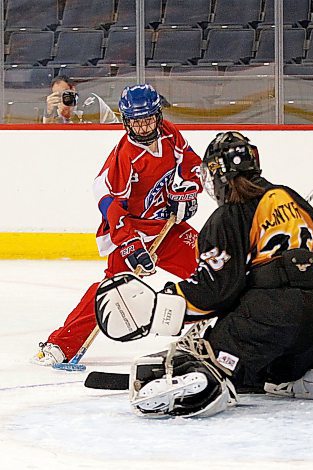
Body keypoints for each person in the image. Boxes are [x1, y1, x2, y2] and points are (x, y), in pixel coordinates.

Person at [92, 131, 313, 418]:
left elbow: (216, 291)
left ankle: (208, 376)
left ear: (217, 174)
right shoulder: (288, 197)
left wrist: (169, 301)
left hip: (265, 323)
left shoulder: (226, 217)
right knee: (286, 369)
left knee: (204, 352)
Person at [33, 83, 202, 365]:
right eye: (137, 121)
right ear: (126, 121)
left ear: (158, 116)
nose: (145, 127)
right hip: (131, 231)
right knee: (111, 292)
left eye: (149, 119)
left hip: (166, 228)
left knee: (208, 267)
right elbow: (111, 205)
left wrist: (188, 191)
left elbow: (192, 164)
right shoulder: (127, 156)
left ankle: (211, 329)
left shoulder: (170, 133)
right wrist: (131, 245)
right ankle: (61, 344)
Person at [43, 75, 119, 124]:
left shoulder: (90, 100)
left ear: (73, 89)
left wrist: (69, 116)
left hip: (111, 134)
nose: (62, 98)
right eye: (57, 95)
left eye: (65, 93)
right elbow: (47, 132)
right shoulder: (54, 103)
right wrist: (48, 113)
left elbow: (90, 131)